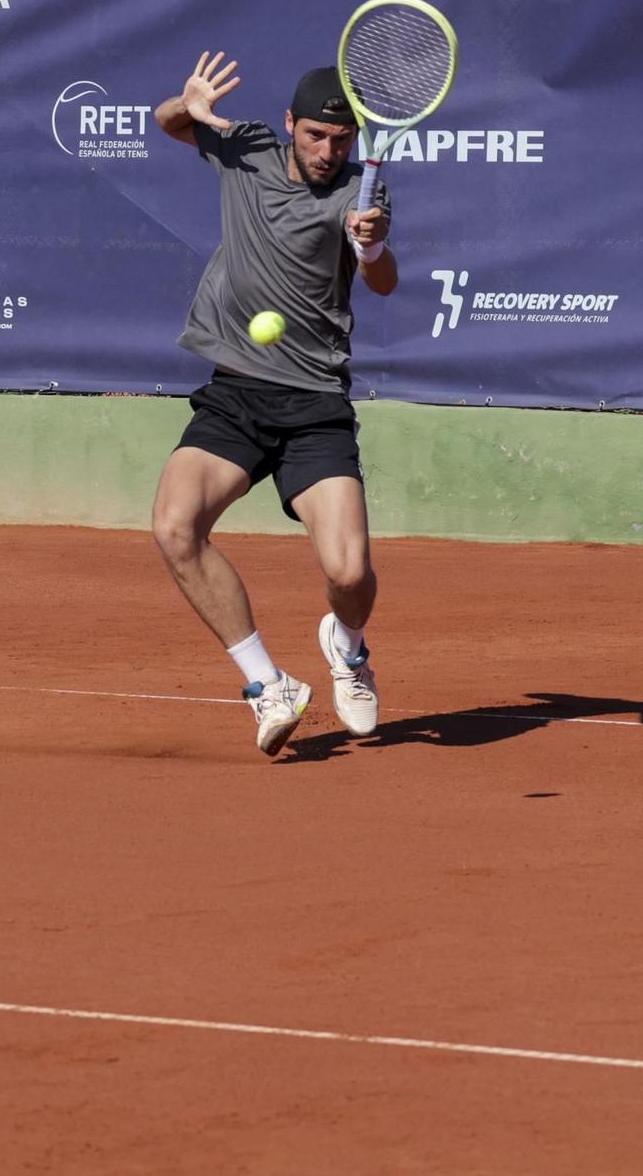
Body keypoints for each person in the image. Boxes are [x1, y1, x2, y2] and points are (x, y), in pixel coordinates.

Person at [150, 54, 396, 758]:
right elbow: (168, 125)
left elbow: (382, 280)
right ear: (290, 126)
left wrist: (372, 249)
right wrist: (185, 103)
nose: (328, 151)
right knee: (174, 526)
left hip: (316, 403)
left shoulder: (360, 191)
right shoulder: (249, 149)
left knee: (349, 574)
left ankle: (347, 648)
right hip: (236, 394)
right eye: (316, 135)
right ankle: (269, 686)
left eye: (341, 140)